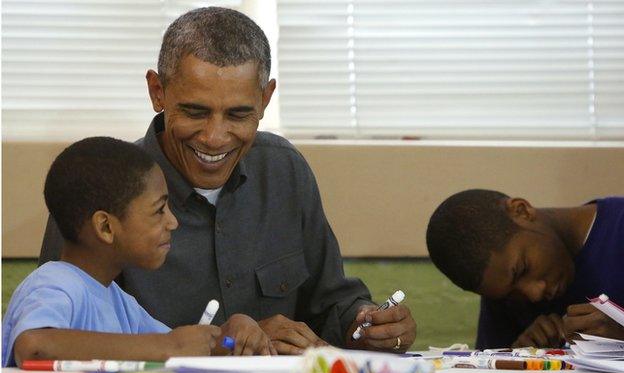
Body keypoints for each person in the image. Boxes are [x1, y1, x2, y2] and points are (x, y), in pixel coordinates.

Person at [39, 7, 417, 354]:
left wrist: (368, 322)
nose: (215, 137)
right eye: (195, 111)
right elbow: (61, 343)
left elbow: (329, 304)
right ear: (158, 92)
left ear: (266, 100)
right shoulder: (101, 188)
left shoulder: (284, 171)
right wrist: (226, 341)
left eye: (238, 114)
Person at [3, 137, 274, 368]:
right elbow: (34, 346)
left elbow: (183, 349)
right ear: (106, 227)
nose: (172, 222)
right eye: (159, 210)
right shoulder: (55, 282)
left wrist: (230, 338)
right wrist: (169, 345)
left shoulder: (121, 304)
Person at [426, 189, 624, 349]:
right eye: (511, 294)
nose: (534, 294)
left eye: (522, 269)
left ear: (522, 211)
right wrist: (521, 355)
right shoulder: (500, 290)